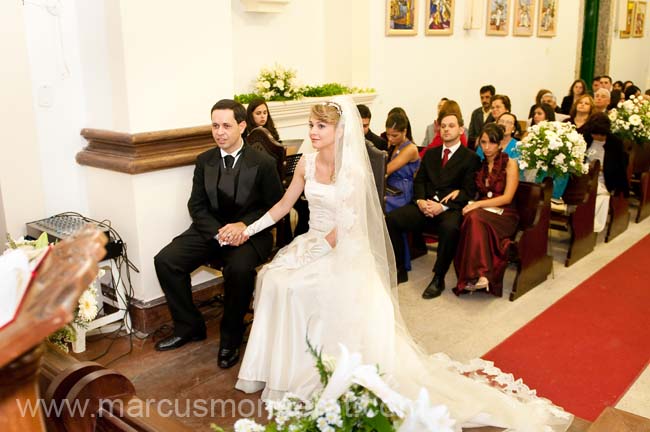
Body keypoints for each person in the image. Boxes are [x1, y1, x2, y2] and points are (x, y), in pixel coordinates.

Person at [234, 96, 573, 431]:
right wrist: (247, 230)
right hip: (313, 240)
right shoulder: (306, 162)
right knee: (273, 279)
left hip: (340, 247)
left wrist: (318, 252)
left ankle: (312, 368)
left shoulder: (351, 169)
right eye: (311, 125)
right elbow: (283, 205)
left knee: (297, 286)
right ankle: (282, 369)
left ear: (339, 131)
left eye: (320, 126)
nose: (313, 132)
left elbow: (348, 223)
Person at [153, 99, 284, 369]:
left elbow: (273, 206)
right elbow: (196, 205)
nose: (219, 132)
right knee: (166, 260)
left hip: (251, 233)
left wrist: (243, 227)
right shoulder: (205, 161)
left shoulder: (263, 163)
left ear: (242, 126)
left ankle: (231, 338)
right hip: (211, 231)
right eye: (215, 125)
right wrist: (218, 233)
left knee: (238, 270)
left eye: (226, 125)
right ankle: (189, 326)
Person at [387, 109, 481, 293]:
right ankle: (400, 268)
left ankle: (439, 277)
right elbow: (419, 180)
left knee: (450, 228)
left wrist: (443, 206)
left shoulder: (471, 158)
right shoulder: (431, 154)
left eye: (451, 126)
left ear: (461, 129)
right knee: (392, 219)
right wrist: (421, 200)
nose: (446, 130)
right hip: (425, 205)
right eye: (443, 126)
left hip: (449, 209)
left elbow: (469, 191)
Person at [452, 123, 520, 297]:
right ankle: (479, 276)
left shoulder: (510, 164)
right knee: (471, 218)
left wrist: (477, 204)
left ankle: (476, 275)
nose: (487, 147)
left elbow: (507, 198)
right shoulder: (479, 165)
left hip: (505, 214)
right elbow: (469, 188)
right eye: (483, 142)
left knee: (473, 216)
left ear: (499, 144)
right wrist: (459, 193)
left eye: (492, 142)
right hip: (483, 214)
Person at [583, 113, 630, 233]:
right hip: (584, 177)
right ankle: (583, 222)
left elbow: (620, 168)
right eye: (593, 134)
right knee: (589, 191)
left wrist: (603, 169)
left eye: (598, 134)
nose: (595, 137)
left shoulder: (615, 143)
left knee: (600, 195)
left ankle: (592, 227)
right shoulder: (586, 138)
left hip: (604, 179)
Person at [385, 112, 420, 213]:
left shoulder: (410, 149)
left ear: (404, 131)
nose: (390, 138)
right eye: (388, 135)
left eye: (394, 135)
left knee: (376, 202)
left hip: (401, 192)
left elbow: (387, 170)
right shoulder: (394, 145)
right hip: (390, 187)